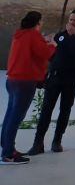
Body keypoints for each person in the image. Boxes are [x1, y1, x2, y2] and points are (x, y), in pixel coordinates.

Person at [28, 8, 75, 154]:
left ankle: (57, 141)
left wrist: (72, 35)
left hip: (71, 79)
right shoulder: (59, 36)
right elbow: (51, 55)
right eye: (71, 20)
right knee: (46, 110)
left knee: (65, 109)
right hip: (55, 77)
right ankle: (38, 143)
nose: (72, 23)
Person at [2, 11, 56, 165]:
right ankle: (8, 154)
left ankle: (6, 147)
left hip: (13, 79)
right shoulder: (33, 35)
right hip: (25, 81)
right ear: (38, 22)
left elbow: (31, 50)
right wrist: (52, 45)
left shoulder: (20, 34)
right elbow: (44, 53)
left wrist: (43, 41)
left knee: (10, 116)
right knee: (16, 118)